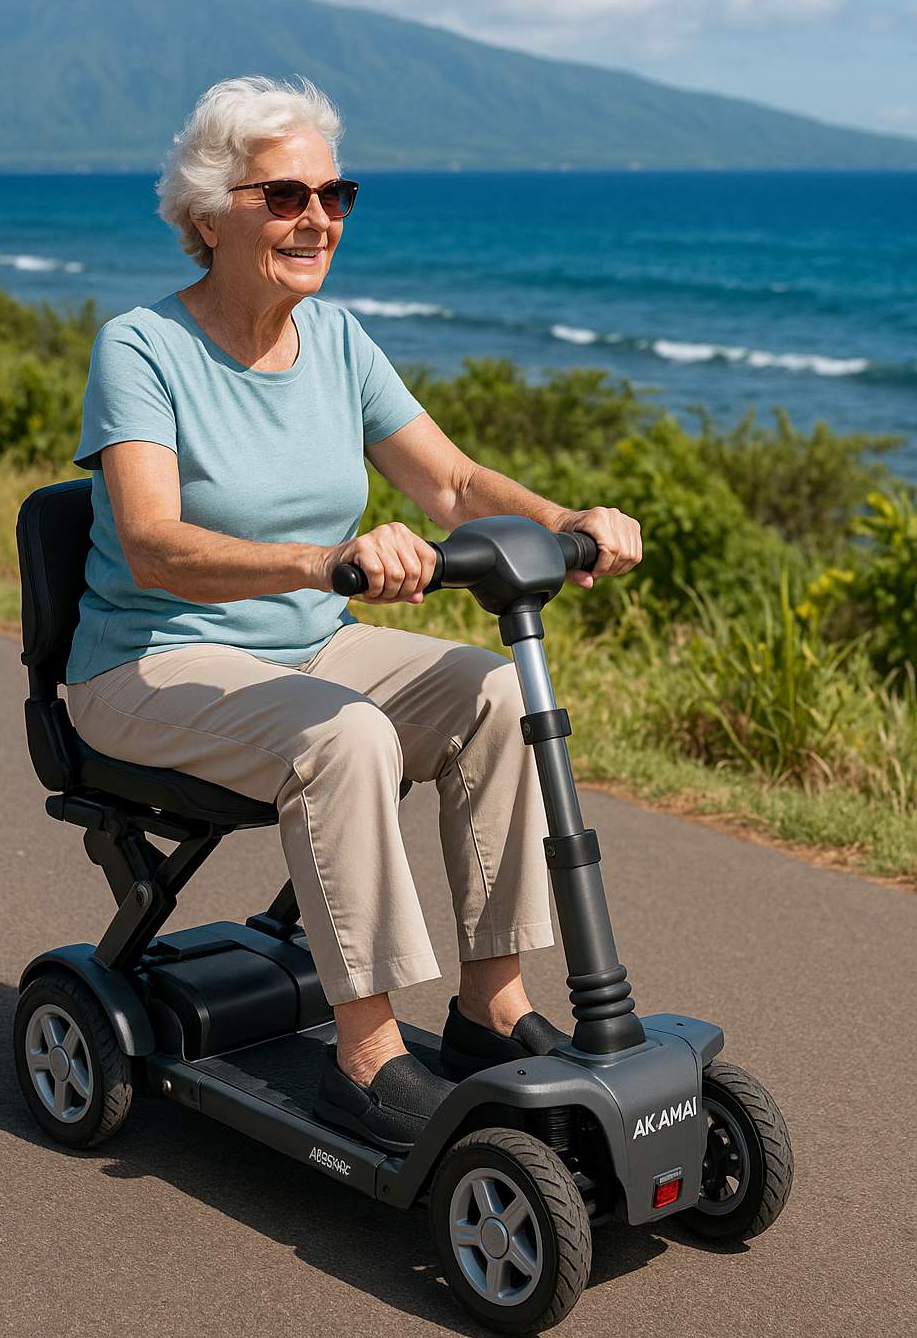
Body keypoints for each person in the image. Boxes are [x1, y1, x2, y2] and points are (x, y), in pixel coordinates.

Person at [65, 75, 641, 1154]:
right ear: (206, 214)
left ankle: (487, 1009)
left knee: (495, 691)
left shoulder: (334, 339)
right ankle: (366, 1055)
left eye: (336, 194)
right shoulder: (141, 348)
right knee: (346, 736)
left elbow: (454, 486)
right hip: (146, 666)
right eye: (283, 195)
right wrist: (323, 559)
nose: (316, 217)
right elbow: (152, 543)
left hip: (304, 646)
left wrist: (564, 518)